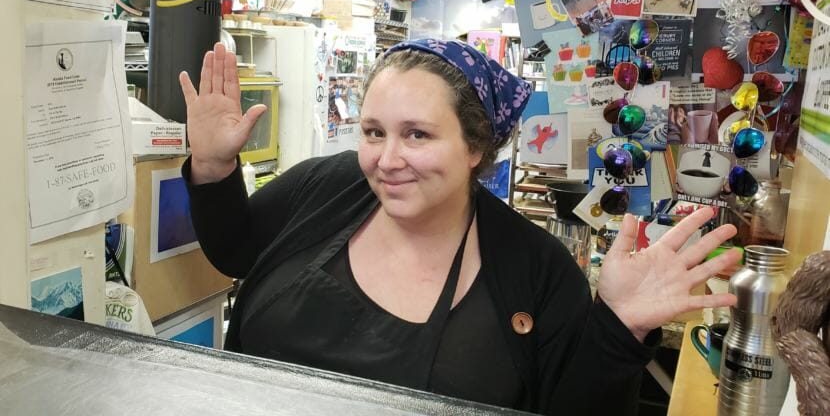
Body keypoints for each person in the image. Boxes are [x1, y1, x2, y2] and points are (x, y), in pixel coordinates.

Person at [178, 40, 740, 415]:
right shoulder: (324, 186)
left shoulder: (534, 271)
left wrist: (619, 328)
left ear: (475, 146)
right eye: (374, 132)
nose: (386, 159)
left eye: (417, 135)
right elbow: (236, 251)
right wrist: (212, 167)